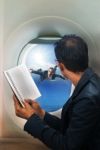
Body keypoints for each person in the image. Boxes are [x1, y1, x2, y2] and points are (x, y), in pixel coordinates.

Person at [13, 35, 100, 150]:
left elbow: (66, 146)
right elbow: (72, 129)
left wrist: (31, 118)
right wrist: (42, 114)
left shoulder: (87, 98)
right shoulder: (89, 83)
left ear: (61, 66)